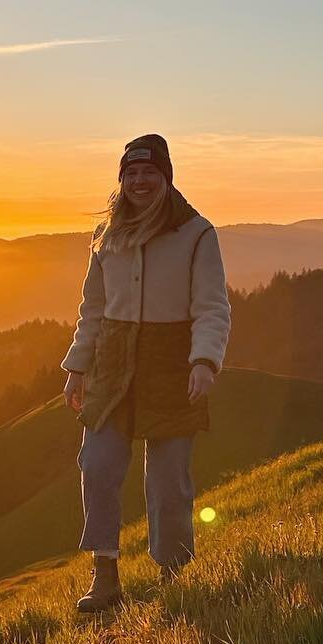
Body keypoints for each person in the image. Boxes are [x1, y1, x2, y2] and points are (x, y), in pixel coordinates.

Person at [60, 133, 231, 613]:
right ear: (122, 179)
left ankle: (173, 577)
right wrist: (77, 368)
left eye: (149, 172)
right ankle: (105, 575)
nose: (139, 181)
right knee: (97, 467)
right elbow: (92, 309)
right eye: (130, 173)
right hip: (113, 368)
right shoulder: (106, 236)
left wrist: (204, 360)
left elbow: (213, 306)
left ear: (166, 177)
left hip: (172, 366)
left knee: (169, 481)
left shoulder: (197, 233)